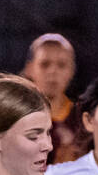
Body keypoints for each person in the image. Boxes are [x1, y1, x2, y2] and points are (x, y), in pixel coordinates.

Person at [23, 32, 83, 164]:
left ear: (71, 71)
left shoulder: (84, 121)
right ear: (29, 69)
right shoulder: (15, 117)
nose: (53, 71)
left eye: (61, 65)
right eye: (45, 64)